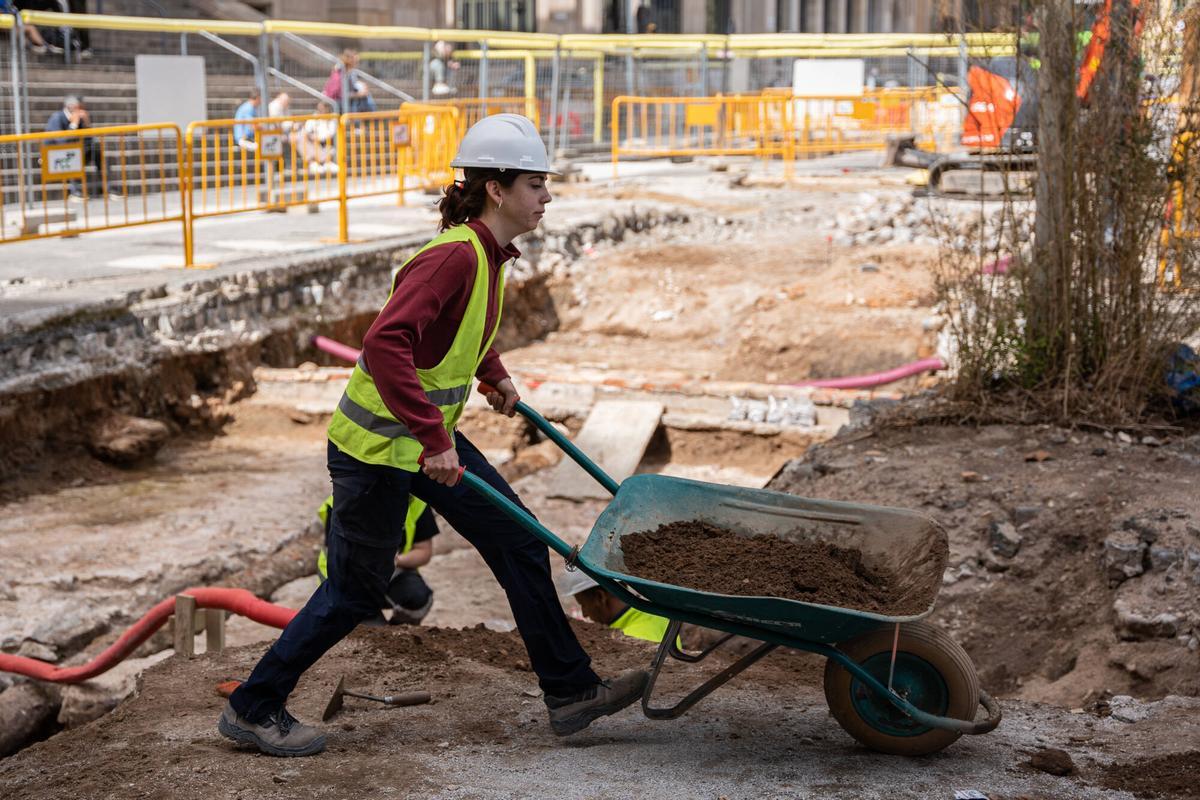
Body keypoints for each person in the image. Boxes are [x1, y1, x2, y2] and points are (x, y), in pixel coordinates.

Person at [217, 114, 647, 758]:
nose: (547, 197)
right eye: (536, 184)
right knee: (355, 591)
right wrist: (432, 439)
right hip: (377, 450)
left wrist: (493, 374)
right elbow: (387, 342)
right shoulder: (453, 257)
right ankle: (253, 707)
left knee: (521, 543)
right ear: (497, 190)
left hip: (424, 437)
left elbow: (456, 333)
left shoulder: (484, 252)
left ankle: (571, 692)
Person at [315, 495, 437, 624]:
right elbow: (342, 554)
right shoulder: (344, 497)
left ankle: (399, 634)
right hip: (346, 575)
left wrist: (395, 560)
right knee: (372, 633)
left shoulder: (416, 500)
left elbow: (424, 550)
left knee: (418, 597)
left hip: (389, 571)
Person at [559, 570, 674, 644]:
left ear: (600, 597)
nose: (585, 614)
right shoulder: (657, 616)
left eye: (584, 605)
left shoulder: (628, 639)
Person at [45, 95, 120, 199]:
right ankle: (75, 192)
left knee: (96, 150)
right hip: (55, 156)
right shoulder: (57, 117)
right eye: (79, 107)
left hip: (75, 153)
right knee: (73, 153)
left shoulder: (80, 119)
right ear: (71, 107)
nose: (81, 110)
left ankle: (108, 189)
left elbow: (89, 140)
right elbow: (61, 142)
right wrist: (73, 125)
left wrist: (87, 124)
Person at [300, 100, 338, 175]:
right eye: (319, 109)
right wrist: (310, 136)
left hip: (325, 142)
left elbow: (330, 134)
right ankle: (314, 163)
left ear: (327, 109)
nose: (321, 111)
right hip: (312, 142)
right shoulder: (314, 117)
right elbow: (306, 130)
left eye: (323, 109)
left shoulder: (332, 118)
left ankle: (323, 162)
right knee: (301, 138)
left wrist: (318, 138)